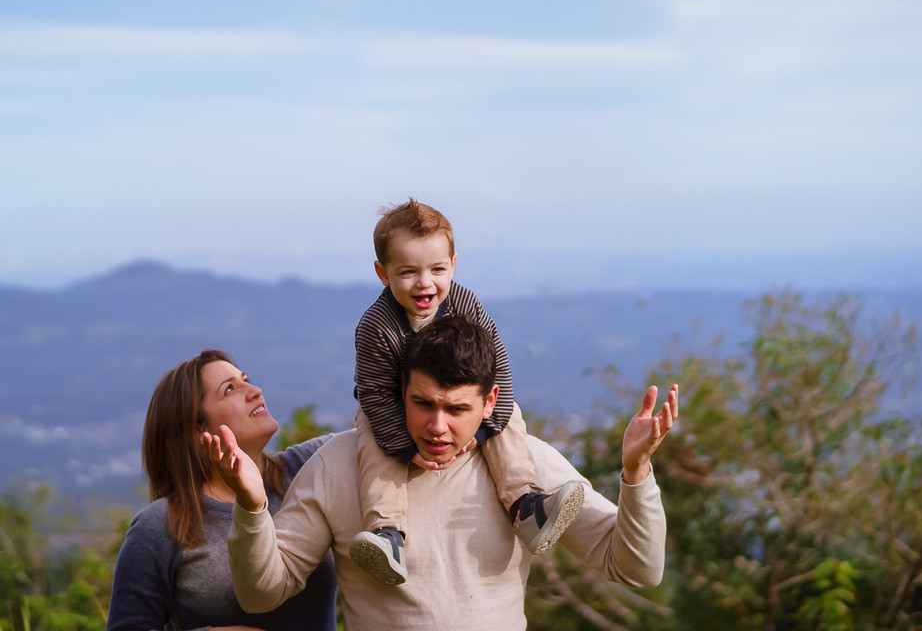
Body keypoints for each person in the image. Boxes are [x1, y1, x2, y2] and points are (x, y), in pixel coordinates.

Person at [204, 315, 678, 631]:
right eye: (423, 403)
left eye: (456, 409)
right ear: (400, 389)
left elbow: (636, 569)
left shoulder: (525, 464)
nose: (436, 425)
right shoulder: (337, 465)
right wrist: (252, 508)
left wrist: (636, 473)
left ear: (491, 403)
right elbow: (261, 595)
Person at [350, 198, 582, 584]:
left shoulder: (464, 302)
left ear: (453, 264)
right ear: (383, 273)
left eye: (437, 269)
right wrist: (405, 447)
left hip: (462, 402)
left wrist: (486, 425)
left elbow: (496, 363)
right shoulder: (377, 326)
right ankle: (387, 533)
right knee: (372, 444)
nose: (425, 282)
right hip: (395, 406)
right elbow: (374, 394)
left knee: (509, 419)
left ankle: (526, 505)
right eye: (408, 272)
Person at [107, 350, 337, 631]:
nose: (255, 391)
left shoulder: (309, 467)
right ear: (196, 430)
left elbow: (376, 432)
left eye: (246, 380)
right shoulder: (160, 525)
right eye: (229, 389)